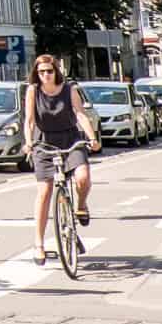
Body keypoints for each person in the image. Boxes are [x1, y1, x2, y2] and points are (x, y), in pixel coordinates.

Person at [24, 53, 100, 264]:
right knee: (45, 192)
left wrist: (92, 138)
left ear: (56, 71)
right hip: (44, 142)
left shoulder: (69, 89)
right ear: (36, 74)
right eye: (41, 72)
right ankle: (38, 244)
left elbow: (79, 114)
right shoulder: (32, 91)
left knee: (83, 177)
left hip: (70, 139)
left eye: (49, 71)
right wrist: (28, 142)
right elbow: (29, 121)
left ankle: (81, 206)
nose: (46, 75)